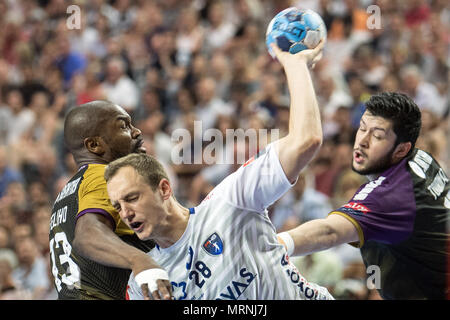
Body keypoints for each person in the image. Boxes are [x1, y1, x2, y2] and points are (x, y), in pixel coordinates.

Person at [104, 41, 334, 300]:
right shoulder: (144, 281)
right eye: (118, 206)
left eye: (132, 198)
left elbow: (306, 141)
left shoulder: (230, 200)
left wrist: (295, 64)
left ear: (164, 188)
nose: (126, 213)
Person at [277, 92, 450, 300]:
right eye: (362, 128)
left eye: (377, 136)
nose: (362, 141)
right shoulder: (422, 158)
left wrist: (276, 245)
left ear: (402, 149)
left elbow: (329, 231)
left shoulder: (390, 195)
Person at [49, 101, 172, 300]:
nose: (137, 132)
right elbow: (87, 234)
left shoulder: (68, 191)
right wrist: (139, 260)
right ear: (94, 145)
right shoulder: (102, 176)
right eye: (123, 126)